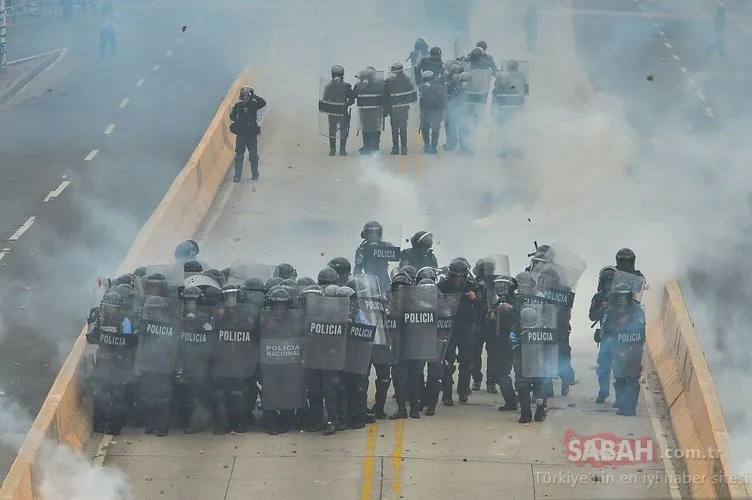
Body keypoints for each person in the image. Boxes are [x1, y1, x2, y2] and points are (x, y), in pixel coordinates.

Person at [230, 86, 267, 181]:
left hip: (251, 133)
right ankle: (237, 176)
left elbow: (263, 103)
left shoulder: (254, 105)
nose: (246, 97)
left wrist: (254, 95)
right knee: (239, 156)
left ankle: (255, 174)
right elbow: (232, 116)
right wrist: (237, 118)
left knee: (254, 156)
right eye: (244, 95)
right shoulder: (238, 106)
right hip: (241, 133)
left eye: (248, 95)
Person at [319, 65, 355, 156]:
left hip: (333, 113)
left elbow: (324, 100)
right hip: (341, 112)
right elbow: (352, 100)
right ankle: (341, 150)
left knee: (333, 131)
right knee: (342, 131)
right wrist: (345, 105)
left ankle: (333, 150)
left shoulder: (328, 87)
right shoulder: (346, 86)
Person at [384, 62, 417, 155]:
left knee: (396, 128)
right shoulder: (406, 80)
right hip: (401, 108)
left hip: (398, 108)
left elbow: (411, 93)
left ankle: (397, 148)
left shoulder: (391, 81)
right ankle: (402, 148)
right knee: (401, 128)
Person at [418, 71, 447, 154]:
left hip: (428, 110)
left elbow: (421, 99)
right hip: (437, 110)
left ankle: (427, 146)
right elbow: (444, 99)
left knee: (425, 128)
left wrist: (421, 112)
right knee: (435, 128)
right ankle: (433, 147)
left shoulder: (423, 86)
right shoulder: (440, 86)